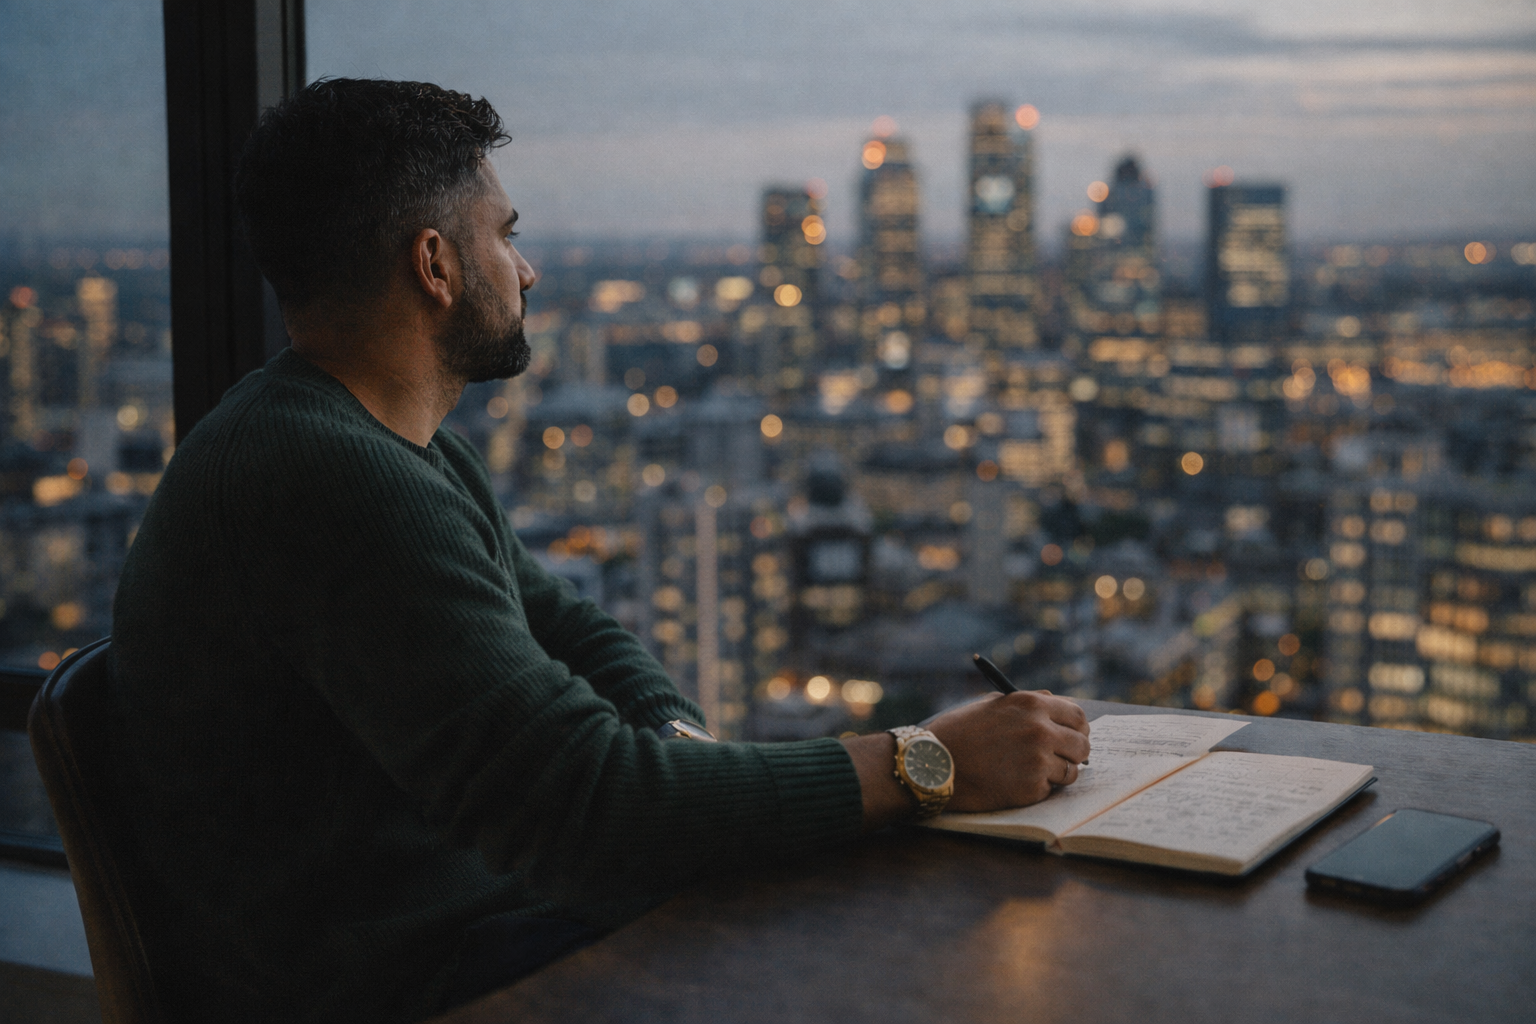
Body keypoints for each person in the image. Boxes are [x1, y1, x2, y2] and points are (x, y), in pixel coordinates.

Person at [109, 78, 1090, 1023]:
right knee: (895, 950)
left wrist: (672, 741)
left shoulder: (384, 445)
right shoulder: (328, 476)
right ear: (435, 265)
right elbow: (590, 814)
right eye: (506, 235)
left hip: (452, 935)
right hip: (394, 987)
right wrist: (927, 760)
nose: (526, 269)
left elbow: (572, 629)